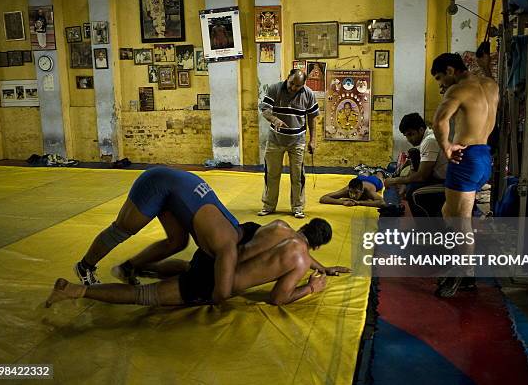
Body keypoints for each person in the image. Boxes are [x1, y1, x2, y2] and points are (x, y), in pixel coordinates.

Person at [47, 217, 349, 308]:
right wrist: (313, 286)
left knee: (187, 269)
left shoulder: (280, 227)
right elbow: (277, 298)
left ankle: (138, 266)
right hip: (215, 283)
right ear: (318, 245)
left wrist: (319, 266)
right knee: (145, 296)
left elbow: (290, 247)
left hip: (214, 255)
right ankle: (76, 291)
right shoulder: (300, 260)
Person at [71, 167, 246, 305]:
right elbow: (220, 293)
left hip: (178, 188)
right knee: (122, 229)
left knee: (177, 242)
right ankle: (84, 266)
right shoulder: (223, 244)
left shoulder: (234, 230)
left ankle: (128, 268)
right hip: (158, 183)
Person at [430, 53, 498, 297]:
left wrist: (446, 146)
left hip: (465, 157)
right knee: (448, 213)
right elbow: (488, 79)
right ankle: (457, 263)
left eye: (440, 77)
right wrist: (485, 66)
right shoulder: (491, 85)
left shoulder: (458, 90)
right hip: (484, 158)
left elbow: (439, 122)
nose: (441, 84)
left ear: (450, 70)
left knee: (461, 222)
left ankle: (465, 275)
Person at [258, 69, 319, 219]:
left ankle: (297, 207)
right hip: (275, 140)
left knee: (297, 176)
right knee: (271, 174)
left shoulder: (309, 94)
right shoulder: (274, 89)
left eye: (297, 86)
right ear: (287, 78)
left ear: (303, 85)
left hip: (297, 141)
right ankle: (268, 206)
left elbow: (312, 117)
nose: (293, 88)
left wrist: (313, 140)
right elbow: (265, 110)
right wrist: (274, 120)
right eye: (291, 83)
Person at [384, 113, 447, 216]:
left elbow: (421, 176)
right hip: (438, 178)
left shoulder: (429, 141)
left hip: (446, 182)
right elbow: (415, 171)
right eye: (406, 136)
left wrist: (394, 180)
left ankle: (426, 228)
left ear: (421, 130)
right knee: (413, 156)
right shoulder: (426, 140)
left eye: (411, 134)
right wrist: (404, 182)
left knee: (413, 192)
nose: (409, 139)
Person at [319, 172, 386, 208]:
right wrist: (341, 202)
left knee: (379, 176)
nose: (352, 195)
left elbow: (381, 202)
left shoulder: (368, 191)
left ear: (362, 191)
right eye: (351, 192)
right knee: (362, 174)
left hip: (374, 182)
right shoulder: (347, 190)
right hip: (360, 178)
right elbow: (323, 198)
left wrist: (360, 203)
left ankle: (379, 171)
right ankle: (366, 172)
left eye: (356, 193)